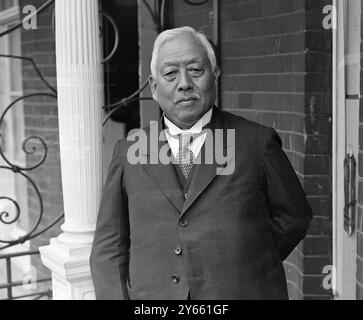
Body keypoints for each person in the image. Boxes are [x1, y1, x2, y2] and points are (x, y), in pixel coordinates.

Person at [90, 26, 312, 300]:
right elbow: (108, 245)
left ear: (215, 76)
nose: (184, 83)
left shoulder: (257, 142)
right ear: (154, 86)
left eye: (195, 70)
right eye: (170, 73)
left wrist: (250, 260)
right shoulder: (130, 151)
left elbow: (294, 217)